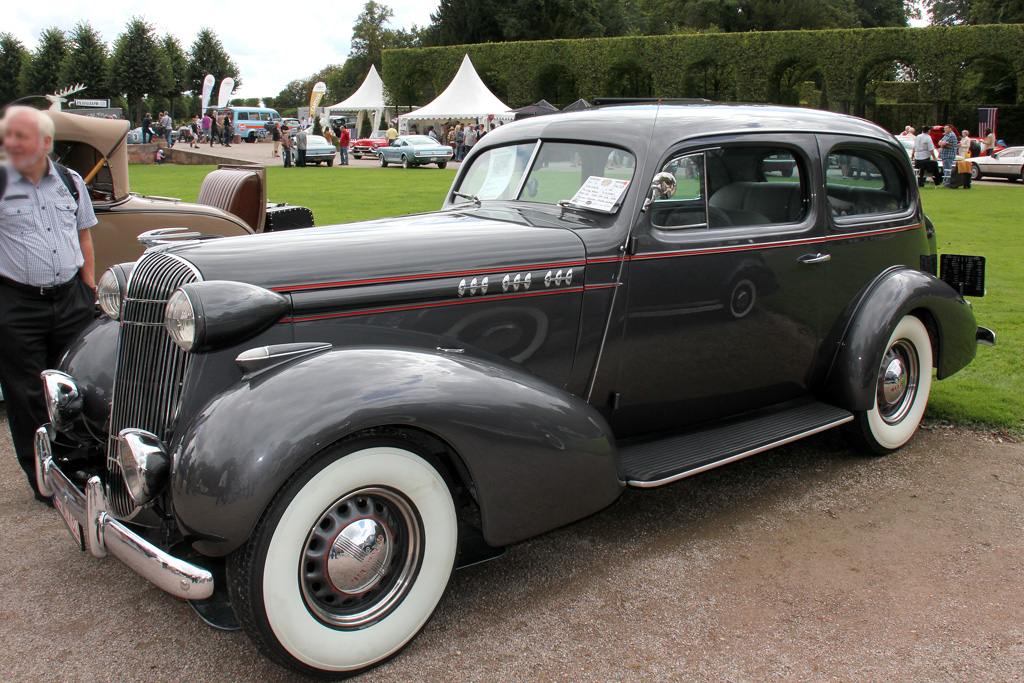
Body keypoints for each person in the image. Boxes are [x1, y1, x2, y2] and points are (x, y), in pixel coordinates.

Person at [0, 106, 98, 503]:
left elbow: (85, 237)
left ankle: (79, 466)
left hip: (71, 298)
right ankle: (44, 478)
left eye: (21, 136)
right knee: (26, 395)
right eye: (8, 136)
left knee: (78, 384)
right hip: (17, 303)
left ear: (45, 142)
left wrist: (89, 289)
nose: (11, 144)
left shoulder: (71, 182)